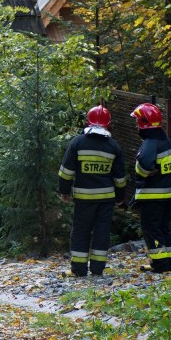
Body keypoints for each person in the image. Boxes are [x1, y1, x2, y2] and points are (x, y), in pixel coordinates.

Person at [58, 105, 127, 277]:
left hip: (84, 198)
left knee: (81, 232)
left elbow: (66, 172)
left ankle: (79, 270)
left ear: (87, 122)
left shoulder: (77, 143)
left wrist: (64, 191)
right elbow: (120, 178)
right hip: (106, 200)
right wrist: (120, 197)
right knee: (102, 233)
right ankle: (97, 269)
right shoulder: (113, 146)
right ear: (108, 124)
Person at [131, 103, 171, 273]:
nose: (136, 125)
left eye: (137, 121)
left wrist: (143, 172)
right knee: (163, 228)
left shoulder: (150, 143)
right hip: (167, 194)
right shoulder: (166, 141)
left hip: (151, 195)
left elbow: (144, 165)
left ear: (144, 122)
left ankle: (159, 264)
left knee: (151, 229)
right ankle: (167, 263)